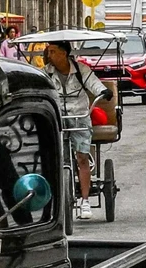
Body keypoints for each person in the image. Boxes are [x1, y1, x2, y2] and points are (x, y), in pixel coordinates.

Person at [38, 40, 103, 213]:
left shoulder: (81, 70)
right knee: (55, 158)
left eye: (53, 51)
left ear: (64, 53)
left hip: (79, 117)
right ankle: (55, 199)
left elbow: (94, 84)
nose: (49, 55)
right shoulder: (45, 73)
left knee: (82, 158)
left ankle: (85, 201)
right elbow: (37, 87)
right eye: (48, 52)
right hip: (57, 118)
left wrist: (103, 91)